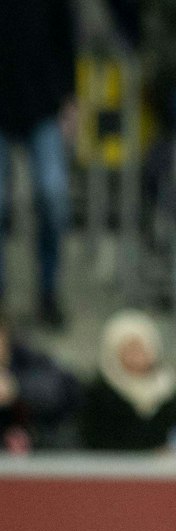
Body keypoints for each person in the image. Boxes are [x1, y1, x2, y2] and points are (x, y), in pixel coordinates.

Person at [0, 0, 77, 330]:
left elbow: (66, 38)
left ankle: (48, 291)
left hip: (43, 106)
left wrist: (70, 99)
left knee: (53, 196)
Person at [79, 311, 176, 454]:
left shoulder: (168, 387)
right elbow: (91, 439)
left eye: (141, 348)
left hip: (161, 472)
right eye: (130, 350)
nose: (137, 356)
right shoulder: (98, 391)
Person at [0, 312, 82, 453]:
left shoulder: (30, 359)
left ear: (5, 334)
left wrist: (16, 387)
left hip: (40, 455)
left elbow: (62, 389)